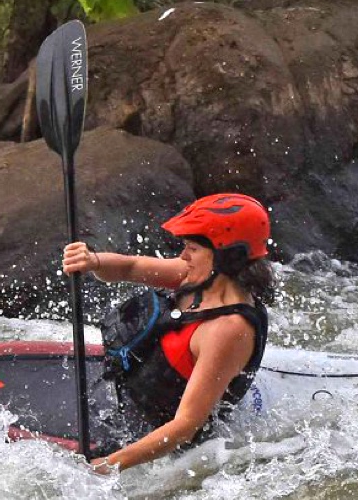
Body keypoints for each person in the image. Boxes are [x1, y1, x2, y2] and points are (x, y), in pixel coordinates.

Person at [61, 192, 273, 472]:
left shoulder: (228, 329)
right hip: (125, 396)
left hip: (160, 445)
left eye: (193, 249)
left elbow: (184, 427)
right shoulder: (194, 275)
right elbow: (130, 267)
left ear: (228, 258)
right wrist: (93, 261)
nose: (183, 255)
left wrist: (109, 466)